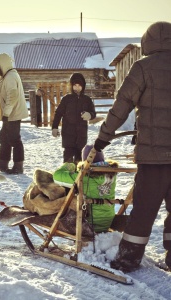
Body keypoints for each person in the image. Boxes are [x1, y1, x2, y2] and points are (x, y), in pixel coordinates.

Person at [93, 21, 171, 272]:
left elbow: (122, 105)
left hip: (153, 158)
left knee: (145, 209)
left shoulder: (142, 67)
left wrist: (103, 137)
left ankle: (127, 259)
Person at [0, 53, 28, 174]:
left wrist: (6, 113)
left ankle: (18, 166)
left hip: (12, 115)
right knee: (4, 137)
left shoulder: (10, 76)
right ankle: (2, 163)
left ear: (3, 65)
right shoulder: (9, 75)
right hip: (11, 114)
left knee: (14, 139)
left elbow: (13, 95)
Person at [52, 73, 96, 163]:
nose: (77, 88)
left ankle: (78, 175)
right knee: (68, 157)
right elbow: (58, 113)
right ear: (71, 86)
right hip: (68, 133)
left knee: (79, 158)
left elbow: (93, 113)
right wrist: (54, 127)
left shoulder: (87, 100)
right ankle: (66, 173)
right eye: (75, 85)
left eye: (79, 85)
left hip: (81, 134)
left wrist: (90, 115)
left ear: (83, 86)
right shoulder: (66, 99)